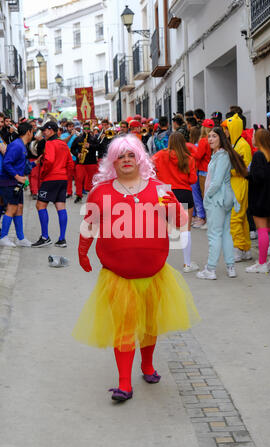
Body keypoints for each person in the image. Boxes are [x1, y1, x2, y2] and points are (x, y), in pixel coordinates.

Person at [72, 135, 200, 402]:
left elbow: (182, 222)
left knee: (150, 324)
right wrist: (83, 252)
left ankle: (147, 365)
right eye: (121, 156)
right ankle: (124, 384)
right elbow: (89, 226)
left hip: (155, 273)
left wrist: (173, 207)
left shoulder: (160, 188)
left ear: (140, 159)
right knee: (125, 326)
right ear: (112, 162)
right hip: (117, 275)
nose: (126, 160)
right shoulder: (101, 191)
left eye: (131, 155)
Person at [197, 127, 247, 280]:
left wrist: (207, 197)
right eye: (209, 136)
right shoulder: (221, 154)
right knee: (225, 233)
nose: (210, 139)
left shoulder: (222, 155)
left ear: (221, 138)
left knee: (215, 234)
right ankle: (230, 267)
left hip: (217, 200)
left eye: (213, 136)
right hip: (225, 198)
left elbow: (216, 182)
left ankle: (211, 269)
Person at [152, 132, 198, 272]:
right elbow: (192, 180)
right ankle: (187, 264)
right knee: (185, 229)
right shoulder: (188, 158)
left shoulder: (159, 155)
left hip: (165, 192)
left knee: (163, 229)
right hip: (184, 193)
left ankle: (158, 264)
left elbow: (150, 169)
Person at [245, 129, 270, 273]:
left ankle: (262, 263)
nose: (252, 138)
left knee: (262, 229)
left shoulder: (258, 155)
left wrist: (247, 175)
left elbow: (258, 178)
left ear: (259, 140)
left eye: (254, 136)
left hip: (260, 199)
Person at [0, 123, 40, 247]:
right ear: (28, 132)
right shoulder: (16, 145)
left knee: (19, 208)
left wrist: (35, 163)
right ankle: (3, 237)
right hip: (9, 182)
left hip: (16, 183)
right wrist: (17, 176)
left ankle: (21, 238)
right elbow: (7, 163)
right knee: (12, 208)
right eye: (32, 131)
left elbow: (22, 166)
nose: (33, 134)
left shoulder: (22, 145)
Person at [32, 121, 74, 248]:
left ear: (51, 130)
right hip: (62, 179)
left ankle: (45, 237)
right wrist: (65, 176)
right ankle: (62, 239)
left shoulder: (49, 143)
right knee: (61, 206)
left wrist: (44, 173)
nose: (43, 132)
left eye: (45, 130)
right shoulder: (63, 144)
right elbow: (71, 164)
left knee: (40, 205)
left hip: (51, 178)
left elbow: (49, 161)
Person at [222, 114, 252, 262]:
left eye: (226, 129)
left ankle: (239, 248)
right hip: (234, 184)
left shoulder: (243, 146)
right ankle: (245, 248)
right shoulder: (235, 144)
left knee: (235, 218)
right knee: (241, 219)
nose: (225, 132)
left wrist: (228, 171)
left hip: (240, 184)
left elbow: (245, 168)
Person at [193, 119, 214, 228]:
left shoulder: (203, 141)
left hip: (203, 171)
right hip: (212, 169)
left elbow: (198, 155)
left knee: (205, 196)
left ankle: (206, 220)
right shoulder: (215, 139)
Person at [71, 122, 98, 202]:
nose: (86, 130)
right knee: (79, 179)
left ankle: (92, 195)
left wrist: (90, 146)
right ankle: (79, 195)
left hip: (91, 162)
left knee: (91, 179)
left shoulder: (93, 138)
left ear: (89, 129)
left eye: (87, 128)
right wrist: (77, 154)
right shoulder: (78, 138)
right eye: (84, 128)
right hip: (80, 162)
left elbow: (98, 147)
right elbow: (72, 149)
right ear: (83, 129)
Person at [60, 121, 78, 198]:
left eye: (72, 126)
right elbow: (64, 142)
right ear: (66, 128)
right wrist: (71, 135)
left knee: (77, 176)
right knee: (69, 176)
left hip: (75, 157)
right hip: (67, 158)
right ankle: (69, 192)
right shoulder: (63, 135)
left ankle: (78, 191)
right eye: (70, 127)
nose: (71, 128)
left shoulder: (77, 135)